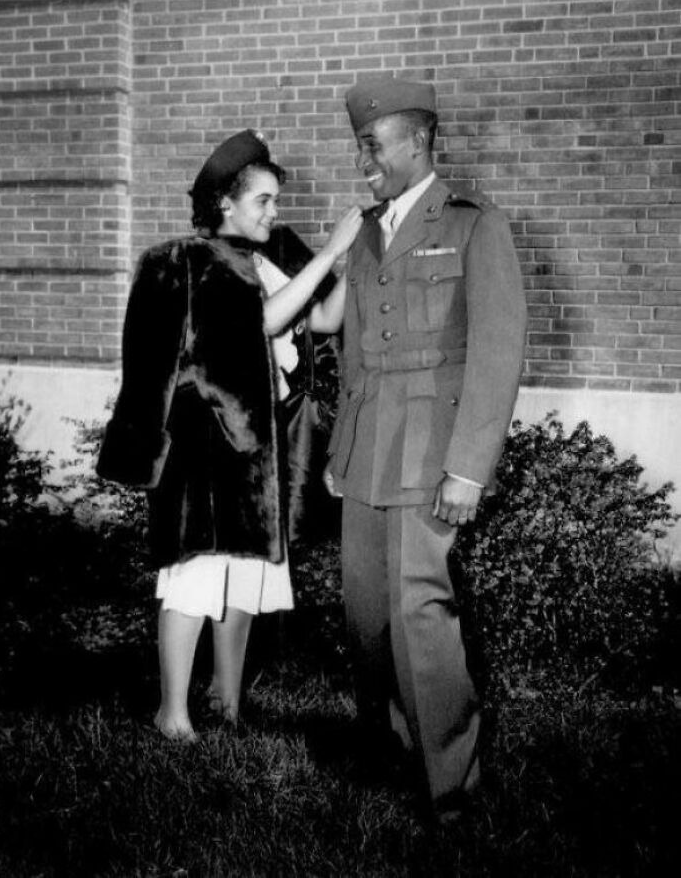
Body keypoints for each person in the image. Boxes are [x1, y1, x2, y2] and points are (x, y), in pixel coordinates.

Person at [97, 129, 361, 741]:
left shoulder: (276, 254)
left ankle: (226, 698)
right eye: (263, 200)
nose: (274, 212)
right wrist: (332, 252)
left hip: (259, 449)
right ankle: (173, 713)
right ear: (225, 204)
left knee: (246, 578)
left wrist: (355, 262)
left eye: (274, 201)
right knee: (194, 577)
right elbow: (258, 322)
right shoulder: (193, 261)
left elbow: (319, 317)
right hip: (204, 449)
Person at [324, 78, 527, 822]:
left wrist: (469, 466)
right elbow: (352, 351)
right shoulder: (369, 231)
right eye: (360, 147)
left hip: (433, 449)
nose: (364, 160)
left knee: (420, 612)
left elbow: (498, 352)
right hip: (368, 447)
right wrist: (340, 448)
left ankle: (452, 789)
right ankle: (390, 749)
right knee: (366, 614)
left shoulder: (474, 224)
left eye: (373, 146)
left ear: (416, 141)